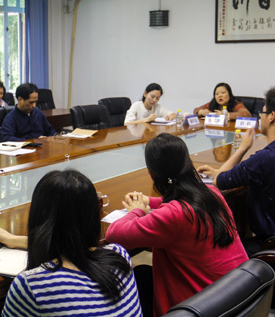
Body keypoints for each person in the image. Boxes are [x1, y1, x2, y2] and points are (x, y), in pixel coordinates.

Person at [105, 133, 248, 316]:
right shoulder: (212, 193)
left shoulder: (174, 216)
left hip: (200, 308)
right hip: (237, 296)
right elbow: (183, 200)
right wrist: (148, 201)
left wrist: (137, 211)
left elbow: (113, 234)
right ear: (189, 162)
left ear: (151, 174)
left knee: (138, 276)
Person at [0, 169, 143, 317]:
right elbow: (69, 243)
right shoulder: (119, 255)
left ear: (38, 216)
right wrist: (13, 240)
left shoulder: (31, 285)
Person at [198, 88, 275, 254]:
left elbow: (218, 182)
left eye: (262, 112)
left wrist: (242, 148)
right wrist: (217, 172)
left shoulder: (265, 158)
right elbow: (221, 176)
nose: (260, 116)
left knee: (212, 250)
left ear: (272, 117)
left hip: (274, 247)